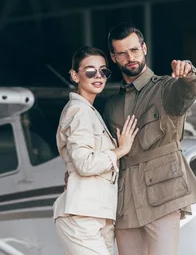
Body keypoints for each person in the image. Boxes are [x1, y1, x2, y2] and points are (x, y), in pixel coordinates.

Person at [103, 22, 196, 255]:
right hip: (124, 203)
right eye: (122, 53)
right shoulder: (111, 105)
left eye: (134, 50)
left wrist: (188, 72)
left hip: (162, 196)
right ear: (113, 57)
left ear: (144, 48)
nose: (130, 57)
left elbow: (188, 91)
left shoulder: (166, 89)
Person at [53, 45, 139, 255]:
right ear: (75, 75)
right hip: (82, 215)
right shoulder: (78, 111)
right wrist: (121, 150)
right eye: (90, 71)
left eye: (104, 71)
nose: (98, 76)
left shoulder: (90, 112)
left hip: (99, 214)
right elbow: (84, 164)